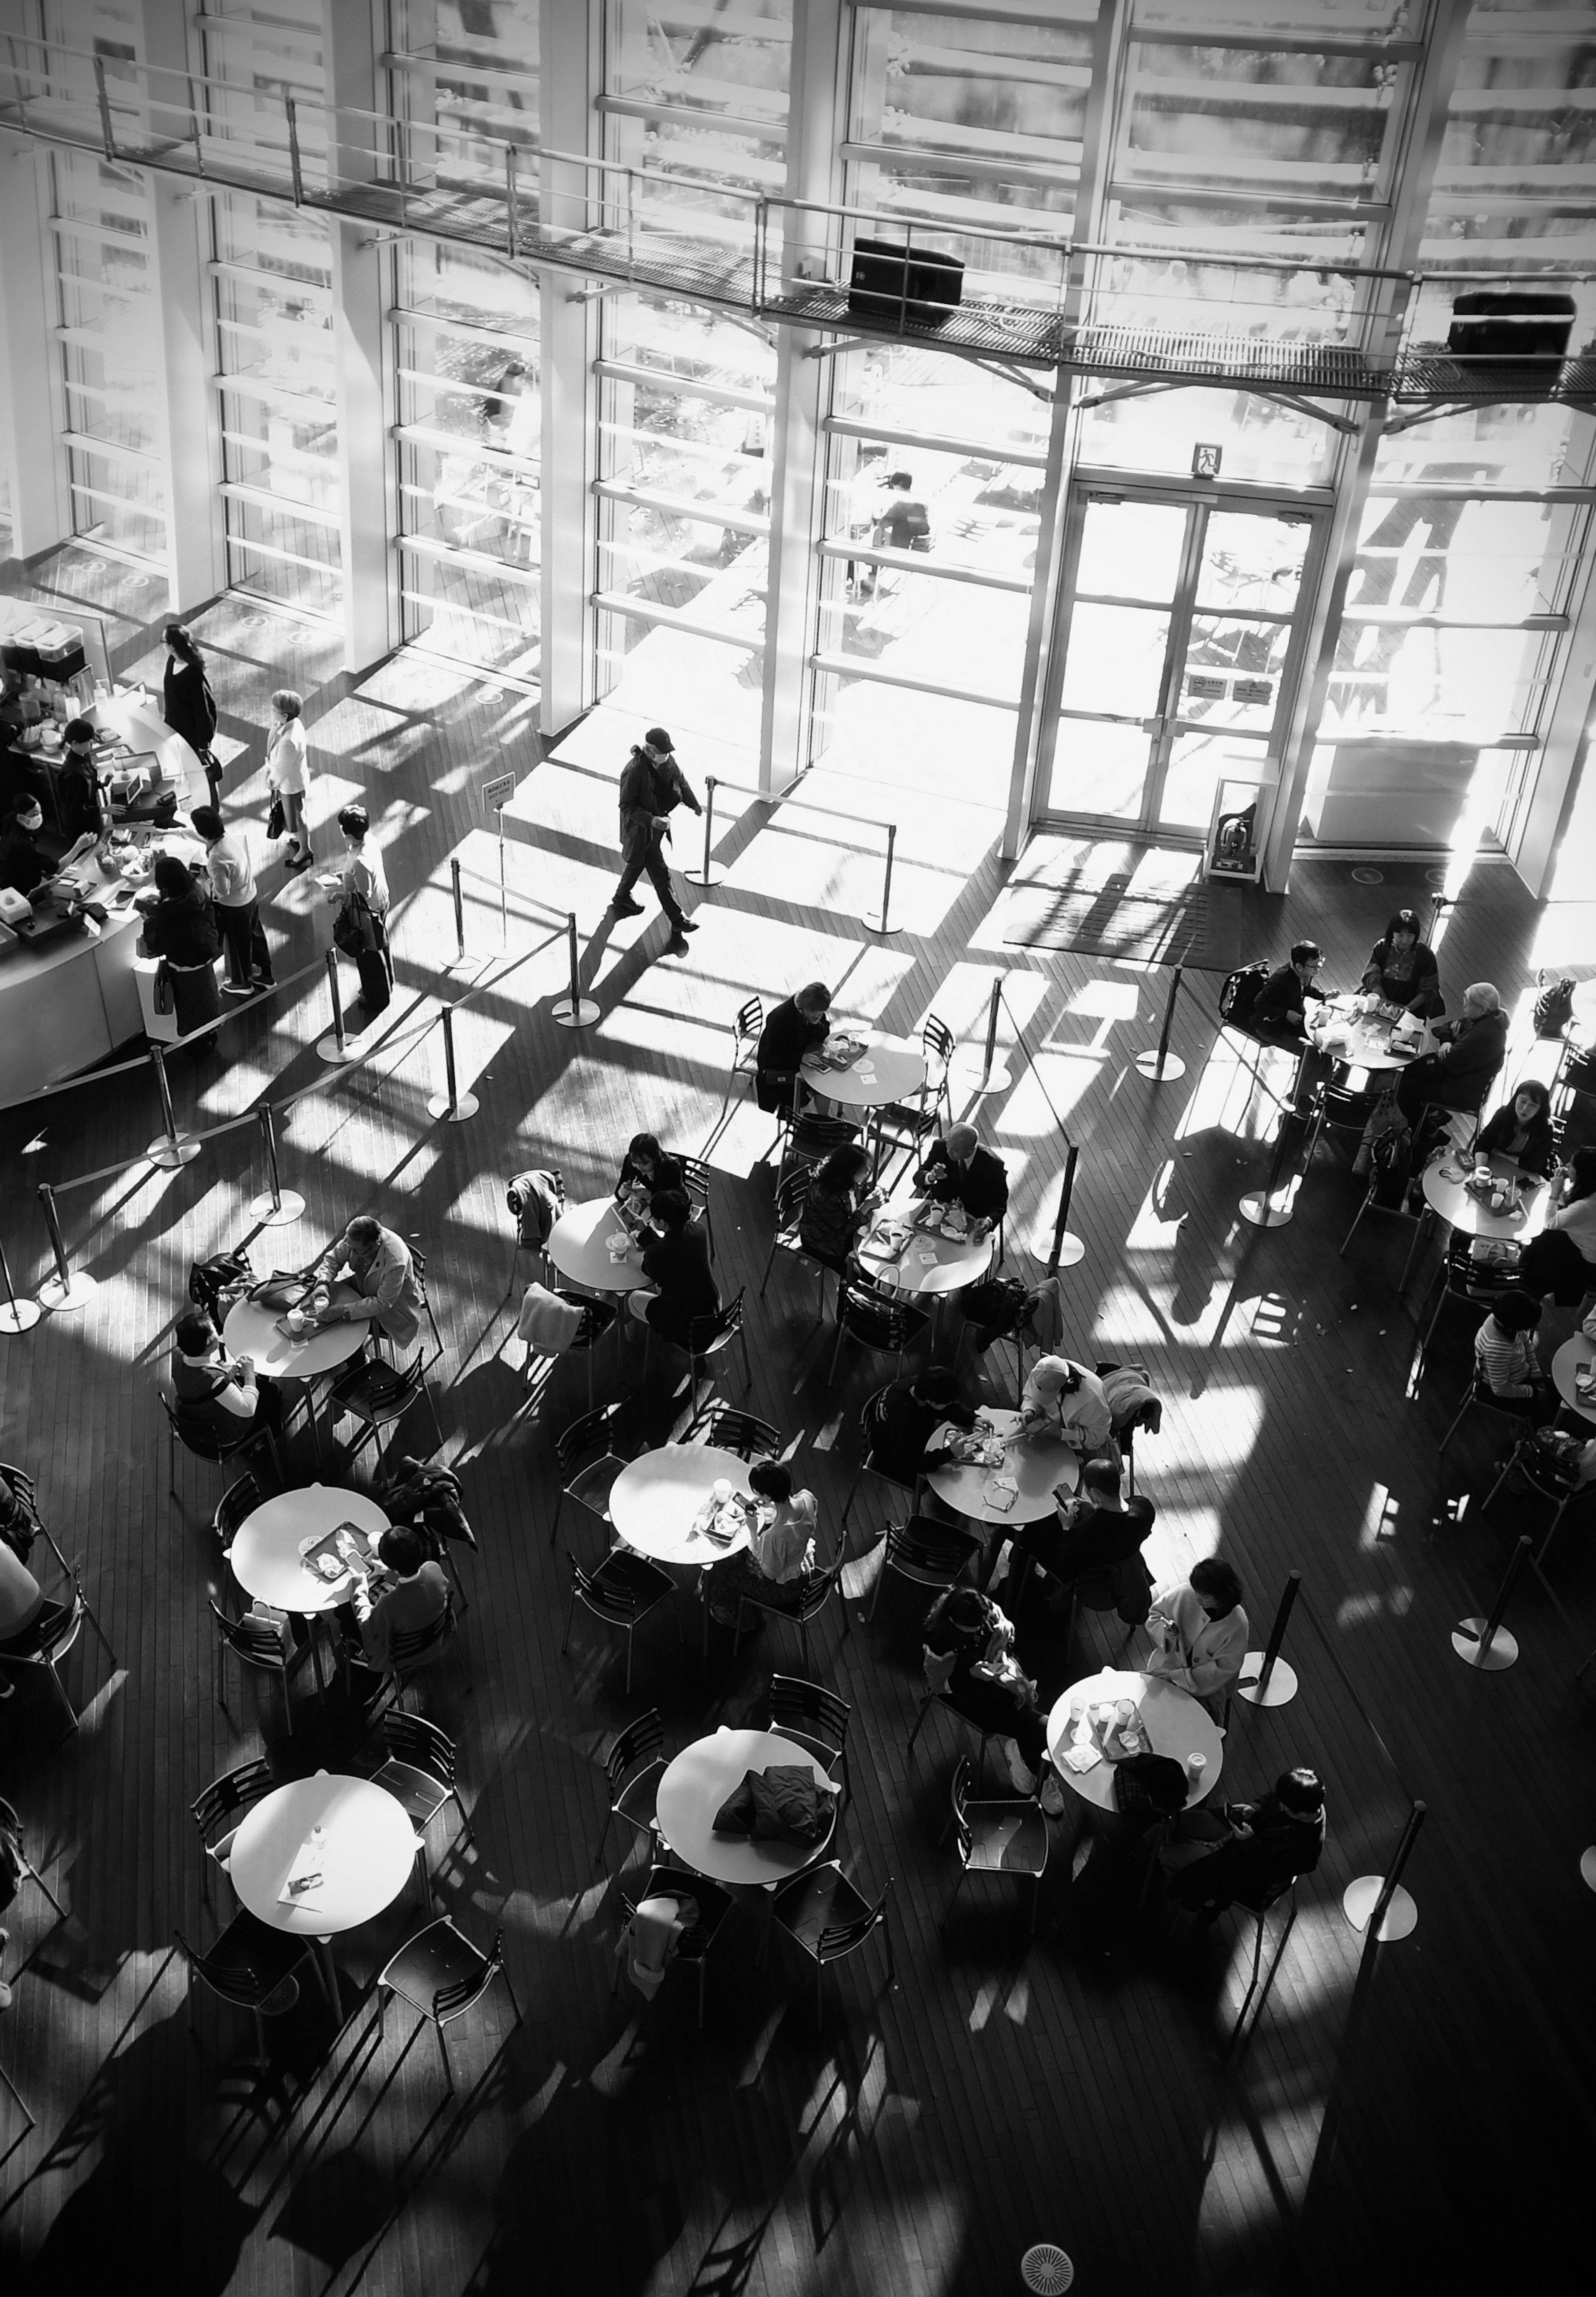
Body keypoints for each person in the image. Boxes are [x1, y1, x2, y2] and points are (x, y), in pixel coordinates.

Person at [921, 1585, 1062, 1806]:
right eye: (973, 1627)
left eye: (982, 1622)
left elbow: (1006, 1629)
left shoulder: (981, 1609)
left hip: (996, 1677)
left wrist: (1004, 1643)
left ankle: (1028, 1763)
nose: (980, 1628)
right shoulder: (939, 1642)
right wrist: (971, 1674)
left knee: (1025, 1710)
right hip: (966, 1696)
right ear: (954, 1621)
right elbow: (938, 1685)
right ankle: (1038, 1773)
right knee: (1036, 1725)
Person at [1165, 1768, 1327, 1917]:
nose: (1280, 1807)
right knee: (1182, 1820)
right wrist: (1255, 1808)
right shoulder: (1303, 1798)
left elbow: (1266, 1874)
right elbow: (1273, 1798)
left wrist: (1249, 1843)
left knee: (1168, 1856)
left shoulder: (1306, 1849)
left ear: (1305, 1815)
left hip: (1244, 1872)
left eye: (1285, 1809)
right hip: (1244, 1835)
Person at [609, 725, 701, 950]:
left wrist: (694, 804)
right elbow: (626, 806)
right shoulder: (633, 772)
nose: (667, 755)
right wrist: (652, 820)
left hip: (655, 829)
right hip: (641, 830)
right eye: (663, 752)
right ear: (650, 751)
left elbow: (682, 781)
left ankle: (621, 897)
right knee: (660, 873)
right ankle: (677, 919)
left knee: (638, 863)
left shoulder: (667, 762)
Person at [1012, 1458, 1155, 1591]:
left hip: (1086, 1574)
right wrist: (1093, 1508)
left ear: (1095, 1493)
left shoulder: (1090, 1530)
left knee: (1028, 1532)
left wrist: (1066, 1527)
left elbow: (1062, 1570)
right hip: (1116, 1555)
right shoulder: (1144, 1508)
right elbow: (1116, 1518)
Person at [706, 1460, 819, 1626]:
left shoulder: (775, 1536)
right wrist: (772, 1506)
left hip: (784, 1588)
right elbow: (797, 1524)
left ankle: (738, 1616)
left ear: (767, 1496)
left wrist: (753, 1530)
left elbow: (770, 1573)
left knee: (724, 1564)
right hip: (803, 1566)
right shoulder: (806, 1497)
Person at [1394, 981, 1507, 1130]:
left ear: (1482, 1009)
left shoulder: (1483, 1034)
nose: (1464, 1005)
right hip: (1460, 1077)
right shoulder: (1483, 1019)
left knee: (1404, 1090)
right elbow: (1444, 1027)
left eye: (1468, 1002)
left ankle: (1430, 1134)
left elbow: (1448, 1059)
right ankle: (1434, 1114)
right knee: (1410, 1072)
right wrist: (1447, 1041)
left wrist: (1450, 1044)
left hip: (1461, 1090)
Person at [190, 803, 273, 995]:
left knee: (237, 945)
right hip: (250, 895)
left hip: (235, 906)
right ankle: (267, 974)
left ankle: (242, 983)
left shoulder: (217, 858)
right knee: (255, 934)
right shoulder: (227, 839)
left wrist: (208, 878)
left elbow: (223, 891)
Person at [139, 854, 223, 1040]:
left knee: (191, 1009)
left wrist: (149, 922)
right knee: (207, 1000)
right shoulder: (197, 890)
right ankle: (211, 1032)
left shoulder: (171, 913)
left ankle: (199, 1042)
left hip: (185, 966)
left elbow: (159, 944)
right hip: (204, 955)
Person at [311, 1215, 424, 1350]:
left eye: (357, 1251)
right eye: (348, 1245)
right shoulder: (355, 1238)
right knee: (326, 1304)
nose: (350, 1251)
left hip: (391, 1308)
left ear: (374, 1247)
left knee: (343, 1330)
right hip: (361, 1285)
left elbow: (383, 1303)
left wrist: (344, 1311)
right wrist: (323, 1283)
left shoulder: (395, 1262)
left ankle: (359, 1361)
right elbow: (333, 1260)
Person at [1145, 1559, 1248, 1705]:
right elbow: (1155, 1616)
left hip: (1207, 1688)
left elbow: (1223, 1669)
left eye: (1205, 1596)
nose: (1197, 1598)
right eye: (1197, 1592)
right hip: (1168, 1663)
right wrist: (1167, 1635)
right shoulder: (1185, 1594)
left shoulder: (1237, 1625)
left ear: (1222, 1596)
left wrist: (1176, 1677)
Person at [348, 1525, 449, 1673]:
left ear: (389, 1564)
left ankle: (354, 1653)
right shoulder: (434, 1569)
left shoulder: (389, 1604)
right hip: (437, 1640)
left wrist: (359, 1589)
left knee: (348, 1618)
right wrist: (387, 1571)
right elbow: (418, 1583)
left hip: (399, 1659)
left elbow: (367, 1627)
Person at [168, 1308, 284, 1436]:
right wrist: (250, 1374)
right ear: (209, 1343)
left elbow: (197, 1376)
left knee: (260, 1386)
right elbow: (247, 1409)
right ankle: (269, 1439)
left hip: (196, 1414)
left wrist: (220, 1368)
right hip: (222, 1431)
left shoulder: (177, 1356)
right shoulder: (214, 1381)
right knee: (273, 1391)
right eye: (215, 1332)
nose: (218, 1335)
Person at [327, 803, 392, 1023]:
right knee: (383, 945)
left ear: (346, 831)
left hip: (368, 912)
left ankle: (377, 997)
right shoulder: (369, 842)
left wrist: (339, 896)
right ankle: (388, 982)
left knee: (369, 956)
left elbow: (362, 895)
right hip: (381, 902)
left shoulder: (359, 861)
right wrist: (343, 877)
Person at [628, 1187, 718, 1346]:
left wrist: (647, 1238)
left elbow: (649, 1271)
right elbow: (673, 1250)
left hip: (686, 1326)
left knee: (633, 1298)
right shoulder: (699, 1231)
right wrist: (650, 1237)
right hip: (711, 1308)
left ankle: (635, 1342)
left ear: (662, 1223)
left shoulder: (658, 1252)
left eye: (654, 1217)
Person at [862, 1365, 979, 1487]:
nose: (950, 1404)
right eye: (947, 1403)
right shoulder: (904, 1417)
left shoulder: (919, 1385)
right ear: (930, 1401)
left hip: (904, 1440)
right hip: (893, 1461)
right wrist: (949, 1453)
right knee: (960, 1480)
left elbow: (945, 1409)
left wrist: (973, 1418)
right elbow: (907, 1463)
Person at [1518, 1146, 1596, 1301]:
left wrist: (1555, 1193)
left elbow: (1551, 1222)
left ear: (1582, 1173)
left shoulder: (1588, 1206)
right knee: (1544, 1242)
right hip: (1579, 1238)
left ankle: (1531, 1291)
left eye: (1572, 1165)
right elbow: (1566, 1207)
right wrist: (1560, 1190)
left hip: (1588, 1259)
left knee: (1543, 1243)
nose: (1567, 1166)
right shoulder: (1588, 1188)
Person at [1473, 1288, 1557, 1422]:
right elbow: (1501, 1390)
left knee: (1555, 1393)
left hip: (1519, 1375)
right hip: (1497, 1391)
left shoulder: (1500, 1319)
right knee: (1542, 1417)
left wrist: (1537, 1376)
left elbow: (1526, 1343)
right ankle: (1523, 1432)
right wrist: (1534, 1392)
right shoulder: (1498, 1348)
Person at [163, 623, 221, 807]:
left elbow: (203, 709)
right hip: (175, 729)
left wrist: (203, 743)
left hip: (192, 736)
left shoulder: (193, 673)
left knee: (204, 776)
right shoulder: (171, 661)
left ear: (172, 645)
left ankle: (212, 810)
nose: (162, 645)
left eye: (164, 641)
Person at [799, 1143, 881, 1270]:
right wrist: (866, 1207)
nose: (867, 1172)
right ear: (850, 1170)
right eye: (864, 1169)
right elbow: (843, 1230)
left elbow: (860, 1193)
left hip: (841, 1234)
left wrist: (873, 1197)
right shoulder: (826, 1195)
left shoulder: (848, 1181)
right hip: (823, 1244)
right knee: (869, 1268)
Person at [915, 1123, 1009, 1231]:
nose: (948, 1152)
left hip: (973, 1219)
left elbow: (1000, 1202)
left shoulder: (992, 1164)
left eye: (954, 1150)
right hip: (938, 1211)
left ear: (971, 1150)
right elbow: (918, 1176)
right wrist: (931, 1177)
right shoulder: (940, 1147)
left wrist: (989, 1220)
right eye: (948, 1146)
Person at [756, 982, 831, 1114]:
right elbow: (773, 1056)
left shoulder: (814, 1008)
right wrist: (801, 1058)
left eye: (821, 1013)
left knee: (825, 1081)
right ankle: (808, 1121)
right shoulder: (780, 1018)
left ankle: (823, 1119)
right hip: (779, 1069)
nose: (818, 1016)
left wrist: (815, 1024)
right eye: (815, 1013)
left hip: (800, 1055)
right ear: (803, 1008)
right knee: (821, 1084)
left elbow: (823, 1034)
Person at [1020, 1355, 1112, 1453]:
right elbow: (1030, 1396)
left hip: (1082, 1448)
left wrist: (1063, 1434)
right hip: (1046, 1435)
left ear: (1062, 1387)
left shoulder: (1092, 1398)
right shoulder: (1043, 1371)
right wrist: (1029, 1410)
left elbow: (1098, 1438)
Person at [1363, 909, 1443, 1019]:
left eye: (1410, 936)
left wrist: (1407, 1010)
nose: (1405, 941)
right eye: (1400, 936)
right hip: (1380, 1000)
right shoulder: (1382, 948)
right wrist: (1386, 1003)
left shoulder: (1425, 955)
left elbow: (1429, 988)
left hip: (1412, 1008)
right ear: (1392, 934)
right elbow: (1372, 977)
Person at [265, 688, 312, 872]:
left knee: (296, 820)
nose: (272, 711)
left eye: (275, 709)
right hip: (295, 780)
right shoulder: (294, 724)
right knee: (296, 815)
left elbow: (280, 771)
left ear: (284, 715)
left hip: (290, 786)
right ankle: (300, 841)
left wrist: (270, 782)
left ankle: (305, 850)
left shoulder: (288, 743)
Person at [1475, 1081, 1557, 1179]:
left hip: (1523, 1175)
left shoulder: (1545, 1129)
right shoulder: (1503, 1114)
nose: (1525, 1109)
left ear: (1541, 1109)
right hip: (1494, 1166)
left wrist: (1502, 1155)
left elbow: (1535, 1165)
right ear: (1516, 1098)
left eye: (1533, 1106)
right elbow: (1483, 1144)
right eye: (1523, 1101)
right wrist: (1481, 1171)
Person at [0, 796, 69, 899]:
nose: (39, 817)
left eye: (39, 813)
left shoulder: (12, 826)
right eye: (34, 814)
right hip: (20, 892)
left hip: (15, 879)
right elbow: (57, 868)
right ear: (21, 818)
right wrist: (80, 845)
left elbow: (28, 860)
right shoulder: (21, 843)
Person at [56, 720, 107, 846]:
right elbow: (76, 810)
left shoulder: (83, 755)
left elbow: (90, 784)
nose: (92, 743)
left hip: (93, 818)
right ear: (75, 743)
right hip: (81, 827)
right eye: (89, 741)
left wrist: (103, 784)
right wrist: (104, 810)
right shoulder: (73, 774)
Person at [614, 1131, 683, 1214]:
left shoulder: (672, 1169)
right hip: (653, 1206)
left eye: (644, 1164)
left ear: (655, 1159)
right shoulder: (630, 1161)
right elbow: (619, 1196)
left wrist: (650, 1197)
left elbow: (673, 1207)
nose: (639, 1167)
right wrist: (623, 1192)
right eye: (635, 1163)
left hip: (677, 1209)